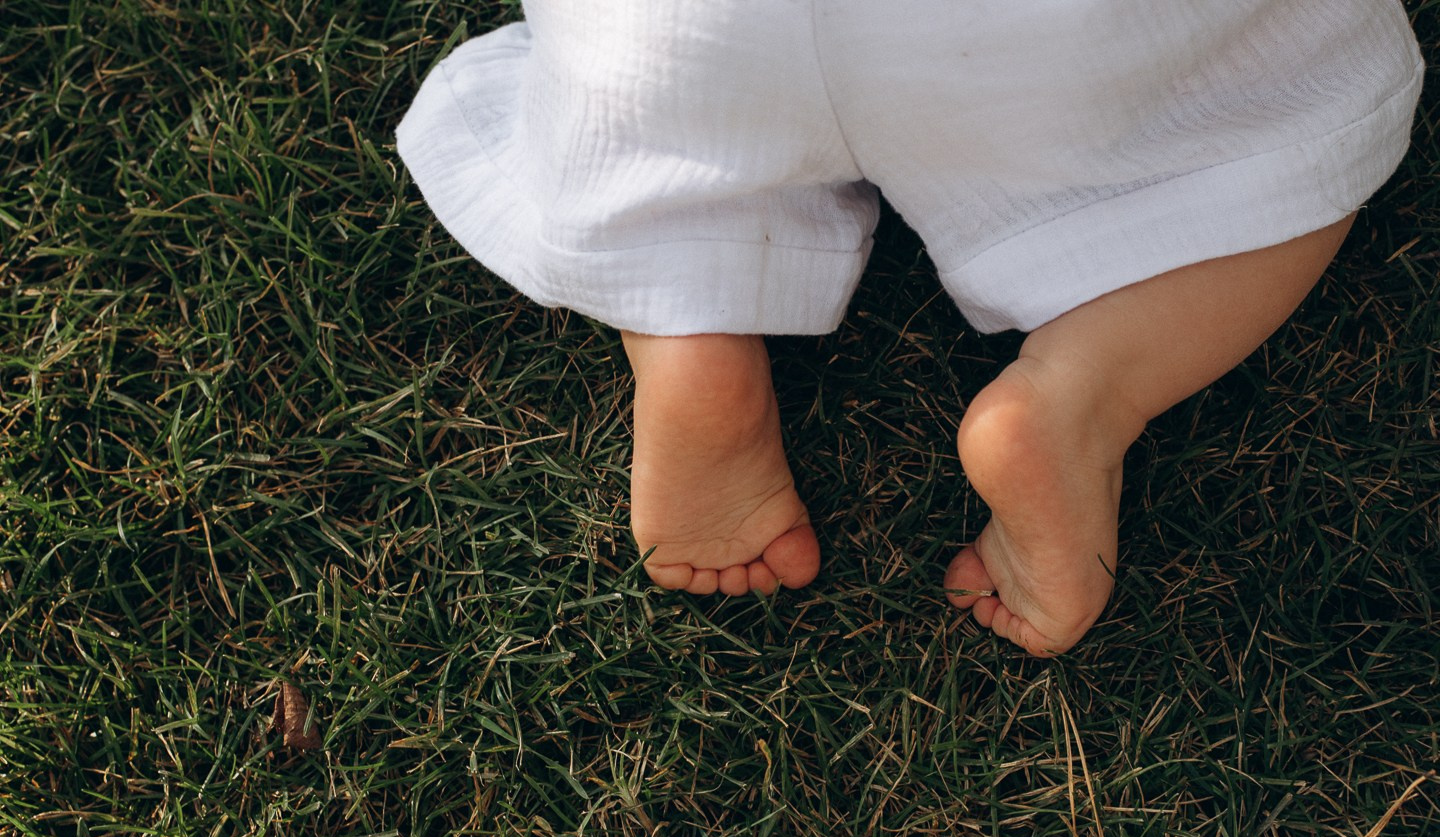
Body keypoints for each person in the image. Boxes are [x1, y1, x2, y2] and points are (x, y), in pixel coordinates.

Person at [396, 0, 1424, 655]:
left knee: (644, 124)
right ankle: (1083, 391)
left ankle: (685, 322)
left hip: (696, 33)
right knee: (1308, 112)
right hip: (1016, 37)